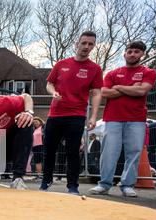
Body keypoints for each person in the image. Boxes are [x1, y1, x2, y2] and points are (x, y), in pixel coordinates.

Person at [89, 41, 156, 197]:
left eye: (136, 52)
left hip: (136, 119)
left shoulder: (149, 72)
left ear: (142, 54)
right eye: (130, 51)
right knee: (109, 152)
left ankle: (127, 185)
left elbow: (141, 91)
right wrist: (131, 88)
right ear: (125, 53)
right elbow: (105, 92)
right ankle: (104, 184)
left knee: (133, 152)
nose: (133, 54)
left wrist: (118, 87)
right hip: (113, 118)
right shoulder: (112, 73)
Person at [40, 31, 103, 195]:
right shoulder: (61, 64)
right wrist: (53, 92)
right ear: (77, 44)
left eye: (90, 44)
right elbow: (49, 84)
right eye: (84, 43)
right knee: (49, 150)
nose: (86, 47)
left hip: (76, 116)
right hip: (55, 115)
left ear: (93, 46)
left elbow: (96, 93)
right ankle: (46, 181)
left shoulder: (95, 69)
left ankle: (73, 186)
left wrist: (94, 116)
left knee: (73, 151)